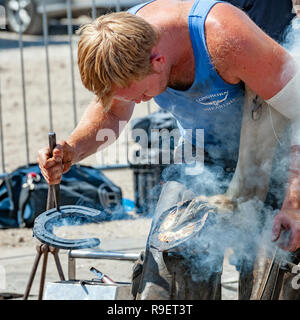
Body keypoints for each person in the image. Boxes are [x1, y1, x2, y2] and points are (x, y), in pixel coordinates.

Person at [37, 0, 300, 299]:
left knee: (274, 277)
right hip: (202, 159)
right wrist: (73, 148)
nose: (138, 103)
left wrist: (295, 202)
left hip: (278, 158)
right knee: (166, 273)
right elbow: (112, 112)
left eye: (141, 95)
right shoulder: (123, 41)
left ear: (158, 60)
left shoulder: (226, 37)